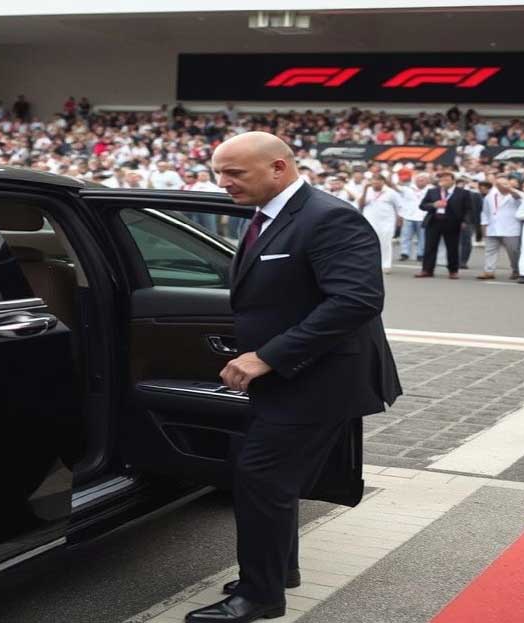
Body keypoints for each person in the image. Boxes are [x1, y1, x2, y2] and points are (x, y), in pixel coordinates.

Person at [185, 132, 401, 623]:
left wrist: (268, 356)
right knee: (270, 479)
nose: (223, 183)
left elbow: (357, 300)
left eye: (235, 173)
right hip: (292, 379)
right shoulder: (269, 214)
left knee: (260, 477)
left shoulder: (329, 218)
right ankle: (278, 572)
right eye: (219, 172)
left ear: (278, 168)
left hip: (320, 379)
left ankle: (260, 596)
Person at [415, 171, 474, 279]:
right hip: (434, 221)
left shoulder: (463, 193)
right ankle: (427, 269)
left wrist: (465, 221)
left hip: (453, 222)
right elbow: (422, 205)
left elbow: (468, 209)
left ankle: (453, 270)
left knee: (452, 247)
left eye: (446, 179)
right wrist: (433, 205)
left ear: (453, 181)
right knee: (430, 247)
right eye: (441, 179)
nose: (443, 182)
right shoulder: (432, 191)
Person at [477, 177, 523, 280]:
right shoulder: (490, 196)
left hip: (511, 229)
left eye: (506, 184)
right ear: (496, 186)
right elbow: (485, 212)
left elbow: (520, 199)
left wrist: (510, 190)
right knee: (490, 250)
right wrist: (484, 226)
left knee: (513, 251)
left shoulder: (516, 194)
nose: (503, 186)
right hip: (492, 227)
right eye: (500, 184)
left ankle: (517, 270)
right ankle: (489, 271)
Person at [358, 174, 404, 273]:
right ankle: (369, 264)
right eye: (373, 181)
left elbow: (399, 206)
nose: (375, 183)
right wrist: (365, 190)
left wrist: (399, 220)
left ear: (383, 182)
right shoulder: (367, 191)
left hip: (386, 222)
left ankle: (386, 265)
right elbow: (361, 205)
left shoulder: (391, 192)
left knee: (385, 243)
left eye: (378, 181)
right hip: (369, 221)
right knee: (368, 244)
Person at [398, 172, 431, 261]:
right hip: (408, 216)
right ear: (415, 181)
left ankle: (421, 254)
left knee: (423, 237)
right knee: (406, 236)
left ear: (427, 181)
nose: (420, 182)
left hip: (423, 217)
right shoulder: (407, 188)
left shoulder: (431, 190)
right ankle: (404, 253)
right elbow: (393, 187)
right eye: (419, 180)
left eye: (423, 180)